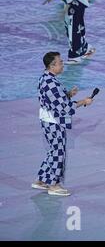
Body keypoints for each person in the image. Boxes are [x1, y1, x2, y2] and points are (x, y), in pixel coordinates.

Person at [31, 52, 94, 196]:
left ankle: (41, 180)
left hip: (48, 120)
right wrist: (84, 102)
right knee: (58, 152)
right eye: (60, 62)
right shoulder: (51, 83)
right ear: (52, 65)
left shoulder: (46, 78)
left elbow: (55, 99)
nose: (62, 64)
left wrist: (68, 95)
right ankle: (54, 185)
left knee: (53, 150)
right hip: (54, 122)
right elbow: (65, 108)